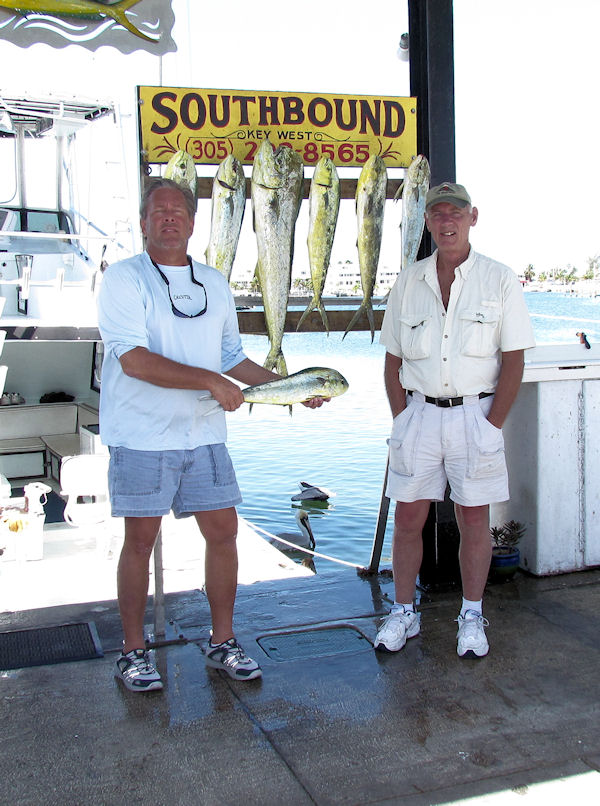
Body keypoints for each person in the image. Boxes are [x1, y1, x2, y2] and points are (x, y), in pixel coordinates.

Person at [98, 178, 324, 692]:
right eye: (159, 212)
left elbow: (232, 360)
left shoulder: (215, 283)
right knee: (140, 541)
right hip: (142, 435)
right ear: (143, 221)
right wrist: (207, 381)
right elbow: (132, 359)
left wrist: (290, 389)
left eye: (179, 211)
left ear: (195, 223)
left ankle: (222, 640)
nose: (170, 218)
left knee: (223, 533)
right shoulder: (123, 280)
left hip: (203, 434)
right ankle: (132, 652)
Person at [376, 181, 535, 658]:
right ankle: (404, 612)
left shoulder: (500, 279)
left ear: (473, 218)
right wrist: (402, 419)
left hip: (475, 415)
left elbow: (515, 362)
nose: (447, 221)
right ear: (426, 222)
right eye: (438, 214)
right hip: (420, 414)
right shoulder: (409, 281)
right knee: (408, 518)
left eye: (456, 213)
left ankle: (470, 614)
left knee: (473, 520)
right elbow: (391, 361)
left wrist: (491, 425)